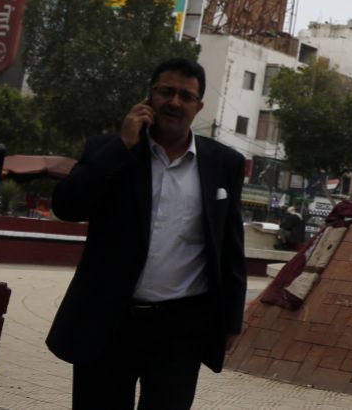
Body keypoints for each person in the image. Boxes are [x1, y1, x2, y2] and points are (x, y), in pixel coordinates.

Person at [46, 58, 248, 410]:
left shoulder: (223, 164)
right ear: (149, 97)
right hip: (109, 322)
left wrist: (231, 320)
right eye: (165, 92)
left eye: (186, 96)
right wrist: (121, 146)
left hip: (181, 329)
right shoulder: (110, 150)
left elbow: (229, 246)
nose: (174, 102)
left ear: (199, 107)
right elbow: (68, 206)